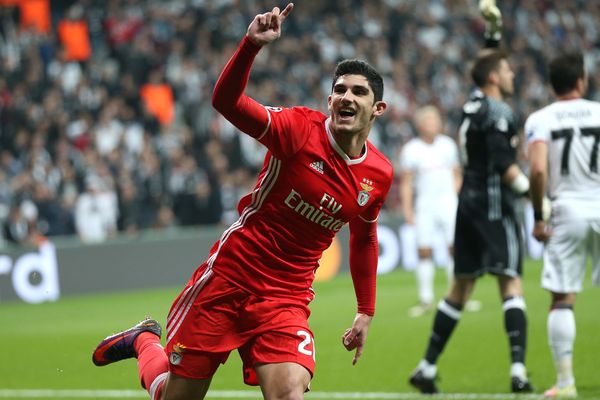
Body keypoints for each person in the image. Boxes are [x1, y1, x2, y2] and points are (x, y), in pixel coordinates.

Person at [91, 4, 393, 400]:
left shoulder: (379, 174)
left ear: (378, 108)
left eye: (358, 92)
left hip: (286, 296)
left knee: (288, 393)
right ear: (329, 99)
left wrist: (366, 310)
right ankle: (144, 342)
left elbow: (364, 238)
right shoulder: (298, 130)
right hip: (231, 279)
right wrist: (250, 46)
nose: (346, 97)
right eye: (339, 90)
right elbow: (227, 103)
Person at [408, 0, 533, 394]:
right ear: (497, 76)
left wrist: (492, 35)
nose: (512, 72)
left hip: (467, 208)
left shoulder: (470, 102)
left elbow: (483, 71)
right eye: (507, 68)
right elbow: (504, 165)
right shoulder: (497, 111)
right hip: (496, 208)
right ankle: (518, 372)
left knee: (459, 289)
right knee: (510, 284)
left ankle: (426, 368)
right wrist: (539, 198)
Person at [526, 52, 600, 399]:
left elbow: (538, 170)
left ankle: (566, 382)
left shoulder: (542, 119)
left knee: (562, 297)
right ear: (582, 80)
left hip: (567, 209)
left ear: (551, 83)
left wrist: (539, 217)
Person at [399, 105, 462, 317]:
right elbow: (406, 183)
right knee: (424, 251)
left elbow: (457, 174)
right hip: (424, 205)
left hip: (448, 203)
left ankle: (456, 296)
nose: (433, 124)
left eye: (436, 120)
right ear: (420, 125)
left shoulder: (448, 145)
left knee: (454, 248)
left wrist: (454, 197)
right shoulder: (411, 150)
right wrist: (408, 210)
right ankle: (426, 299)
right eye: (429, 121)